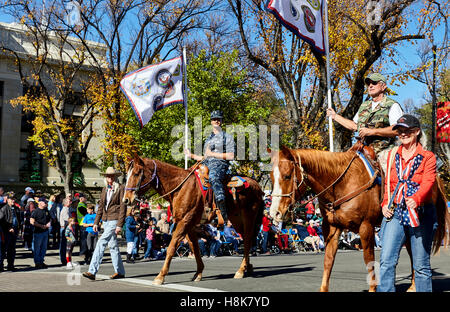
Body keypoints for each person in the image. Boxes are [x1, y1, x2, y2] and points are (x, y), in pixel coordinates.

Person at [378, 114, 437, 292]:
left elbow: (428, 181)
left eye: (407, 131)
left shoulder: (428, 157)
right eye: (400, 131)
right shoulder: (391, 156)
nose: (403, 134)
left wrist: (417, 198)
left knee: (421, 265)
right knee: (386, 261)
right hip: (396, 212)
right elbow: (389, 183)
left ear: (417, 131)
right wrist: (385, 204)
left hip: (421, 213)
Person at [326, 72, 403, 173]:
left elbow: (398, 130)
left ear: (383, 86)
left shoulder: (392, 105)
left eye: (374, 83)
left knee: (388, 174)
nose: (370, 86)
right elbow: (354, 126)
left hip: (384, 152)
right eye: (368, 84)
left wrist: (372, 132)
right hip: (362, 150)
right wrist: (335, 116)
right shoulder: (364, 106)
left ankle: (389, 188)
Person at [184, 110, 235, 224]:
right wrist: (191, 155)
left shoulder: (227, 137)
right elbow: (205, 157)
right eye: (214, 119)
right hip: (206, 163)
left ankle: (222, 212)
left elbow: (231, 155)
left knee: (213, 177)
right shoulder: (208, 139)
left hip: (220, 164)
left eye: (218, 119)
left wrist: (213, 154)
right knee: (189, 177)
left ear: (221, 121)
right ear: (211, 121)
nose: (216, 121)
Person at [82, 166, 127, 281]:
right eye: (108, 176)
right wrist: (96, 222)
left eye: (112, 176)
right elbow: (101, 207)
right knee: (113, 247)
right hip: (106, 220)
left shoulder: (121, 188)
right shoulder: (104, 189)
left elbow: (123, 207)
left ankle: (92, 271)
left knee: (101, 243)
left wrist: (119, 225)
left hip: (114, 220)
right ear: (105, 177)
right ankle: (120, 271)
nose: (109, 177)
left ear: (115, 177)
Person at [0, 192, 21, 271]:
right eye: (11, 199)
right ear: (7, 199)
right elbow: (1, 221)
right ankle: (1, 266)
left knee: (12, 249)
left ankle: (11, 265)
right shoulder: (4, 208)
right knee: (3, 249)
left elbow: (19, 220)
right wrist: (8, 228)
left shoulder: (16, 208)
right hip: (6, 232)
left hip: (14, 231)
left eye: (14, 199)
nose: (13, 200)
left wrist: (19, 229)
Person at [30, 197, 51, 269]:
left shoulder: (46, 210)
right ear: (40, 203)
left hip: (45, 232)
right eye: (45, 202)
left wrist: (48, 224)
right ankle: (37, 262)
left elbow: (49, 219)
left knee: (44, 248)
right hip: (38, 232)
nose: (46, 203)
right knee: (37, 248)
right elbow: (32, 221)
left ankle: (41, 261)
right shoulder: (35, 211)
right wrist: (41, 226)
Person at [59, 197, 71, 265]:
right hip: (64, 228)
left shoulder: (67, 209)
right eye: (69, 201)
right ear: (66, 203)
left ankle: (66, 258)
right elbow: (67, 219)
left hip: (66, 228)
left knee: (66, 245)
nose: (70, 202)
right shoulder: (65, 210)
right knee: (64, 244)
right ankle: (63, 259)